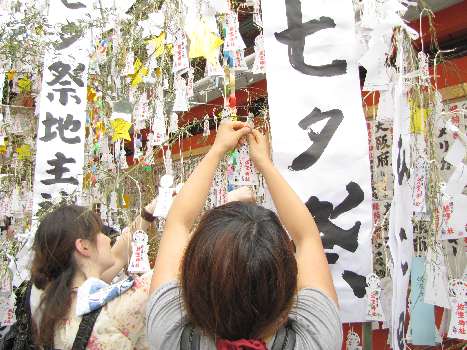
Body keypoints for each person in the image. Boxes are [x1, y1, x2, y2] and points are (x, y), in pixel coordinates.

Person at [146, 120, 343, 349]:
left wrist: (216, 150)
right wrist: (265, 165)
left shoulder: (169, 336)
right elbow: (306, 236)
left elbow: (178, 223)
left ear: (191, 288)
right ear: (288, 301)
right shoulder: (316, 341)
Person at [27, 199, 159, 349]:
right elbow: (178, 266)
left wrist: (149, 212)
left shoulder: (60, 307)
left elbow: (119, 255)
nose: (108, 238)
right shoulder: (119, 306)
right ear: (83, 246)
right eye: (99, 232)